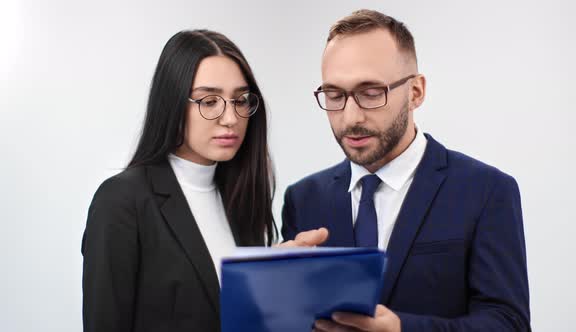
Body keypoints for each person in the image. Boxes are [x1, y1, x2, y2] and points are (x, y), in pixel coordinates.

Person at [281, 10, 531, 332]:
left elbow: (508, 324)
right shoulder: (302, 199)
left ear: (416, 92)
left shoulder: (487, 191)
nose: (350, 116)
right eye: (334, 95)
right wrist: (274, 292)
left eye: (371, 93)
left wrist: (401, 329)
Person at [81, 29, 326, 332]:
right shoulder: (121, 201)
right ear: (172, 103)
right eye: (209, 101)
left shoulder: (240, 196)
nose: (230, 118)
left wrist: (269, 275)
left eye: (240, 100)